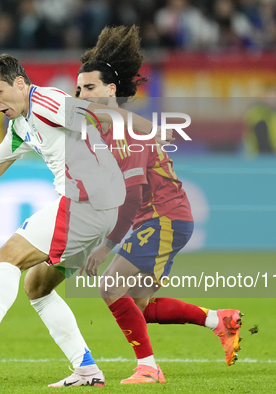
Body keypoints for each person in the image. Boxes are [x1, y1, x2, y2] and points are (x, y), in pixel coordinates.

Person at [0, 53, 166, 387]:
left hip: (85, 204)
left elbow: (97, 114)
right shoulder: (19, 126)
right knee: (37, 287)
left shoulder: (46, 102)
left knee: (6, 257)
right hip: (97, 213)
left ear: (20, 83)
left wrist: (144, 131)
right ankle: (86, 370)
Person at [74, 25, 243, 383]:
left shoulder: (126, 131)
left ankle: (149, 368)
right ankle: (219, 320)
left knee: (109, 286)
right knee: (139, 305)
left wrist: (106, 246)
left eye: (89, 87)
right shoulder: (111, 129)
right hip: (161, 220)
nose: (81, 95)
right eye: (78, 89)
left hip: (163, 218)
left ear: (110, 89)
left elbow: (133, 195)